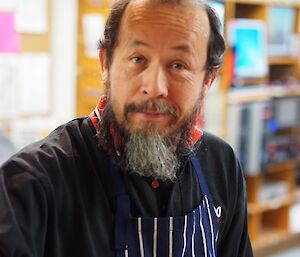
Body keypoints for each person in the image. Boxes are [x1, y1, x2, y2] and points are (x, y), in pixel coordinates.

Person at [0, 0, 253, 256]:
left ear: (207, 80)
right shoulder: (28, 186)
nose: (154, 88)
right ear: (106, 65)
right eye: (138, 59)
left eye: (179, 64)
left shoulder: (222, 165)